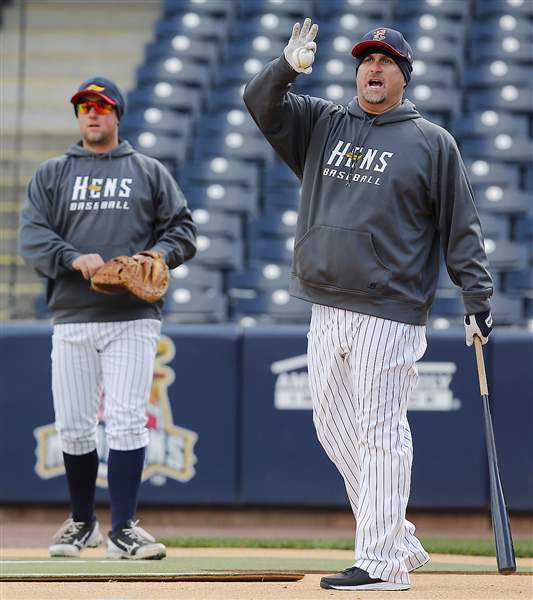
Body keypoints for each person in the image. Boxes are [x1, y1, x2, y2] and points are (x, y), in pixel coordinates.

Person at [244, 21, 493, 591]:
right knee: (332, 427)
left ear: (403, 75)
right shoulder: (323, 123)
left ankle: (381, 563)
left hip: (390, 307)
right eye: (365, 60)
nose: (373, 69)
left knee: (381, 429)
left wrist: (476, 298)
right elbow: (258, 102)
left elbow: (462, 229)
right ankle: (398, 538)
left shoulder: (431, 142)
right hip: (326, 303)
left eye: (385, 61)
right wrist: (286, 68)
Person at [18, 76, 197, 559]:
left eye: (101, 106)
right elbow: (32, 236)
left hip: (133, 317)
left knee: (125, 420)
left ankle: (122, 528)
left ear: (117, 114)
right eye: (84, 107)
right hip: (73, 315)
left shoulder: (148, 171)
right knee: (73, 424)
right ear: (78, 116)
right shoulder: (53, 173)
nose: (92, 113)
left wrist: (155, 255)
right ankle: (82, 522)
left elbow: (183, 230)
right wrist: (74, 257)